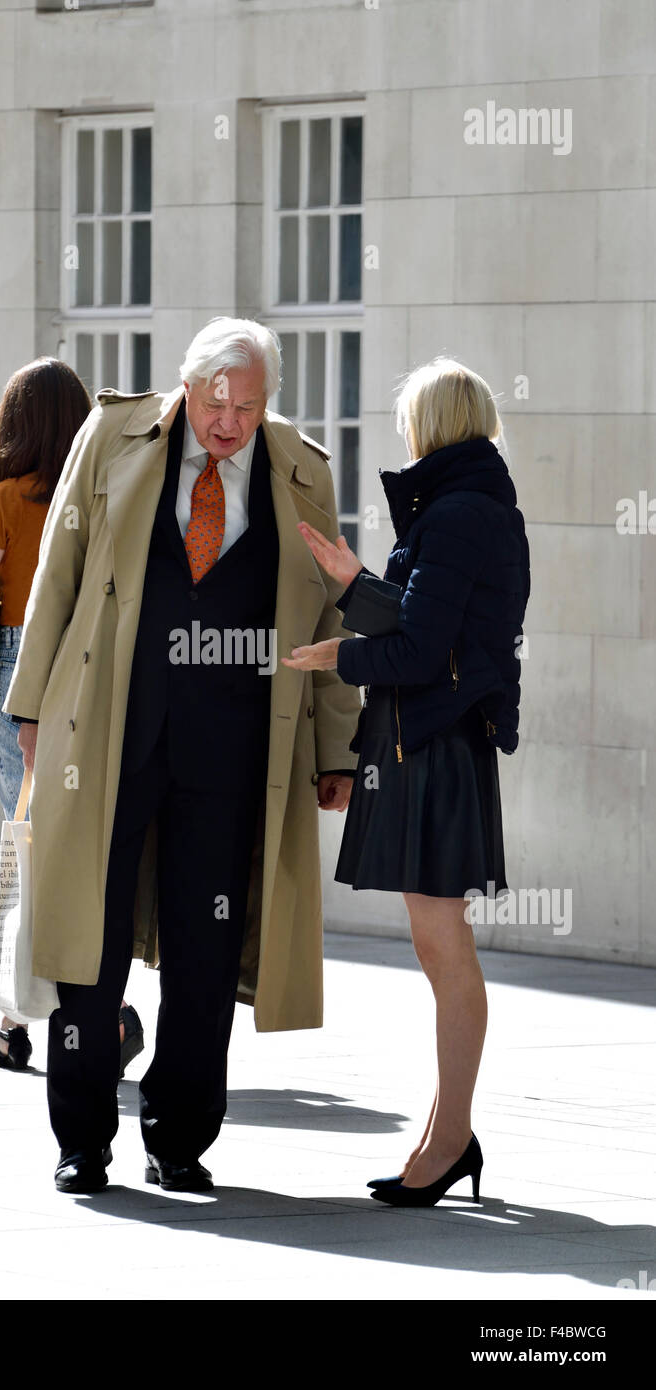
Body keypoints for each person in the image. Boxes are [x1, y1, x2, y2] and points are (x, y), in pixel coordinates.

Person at [3, 317, 362, 1194]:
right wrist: (31, 708)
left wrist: (335, 746)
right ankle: (81, 1138)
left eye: (249, 404)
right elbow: (60, 570)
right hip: (112, 729)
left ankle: (181, 1138)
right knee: (90, 937)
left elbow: (325, 617)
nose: (229, 422)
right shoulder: (113, 435)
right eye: (216, 401)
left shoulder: (301, 470)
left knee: (209, 943)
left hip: (234, 744)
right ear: (187, 386)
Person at [283, 357, 530, 1207]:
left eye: (409, 417)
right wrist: (357, 587)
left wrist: (335, 654)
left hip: (436, 750)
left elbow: (424, 655)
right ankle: (444, 1133)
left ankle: (450, 1135)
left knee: (441, 945)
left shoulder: (459, 514)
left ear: (432, 422)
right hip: (426, 745)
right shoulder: (464, 507)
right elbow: (430, 626)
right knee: (438, 946)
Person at [0, 356, 144, 1078]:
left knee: (27, 842)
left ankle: (26, 1022)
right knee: (79, 846)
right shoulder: (106, 489)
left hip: (21, 672)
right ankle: (88, 1007)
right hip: (92, 670)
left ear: (14, 424)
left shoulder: (6, 500)